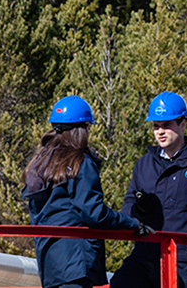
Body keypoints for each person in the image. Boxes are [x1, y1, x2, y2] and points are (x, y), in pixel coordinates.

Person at [23, 95, 154, 288]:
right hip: (78, 262)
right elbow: (93, 213)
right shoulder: (80, 163)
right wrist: (131, 223)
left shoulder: (39, 166)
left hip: (51, 264)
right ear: (83, 129)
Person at [110, 91, 187, 288]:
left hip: (183, 258)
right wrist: (135, 216)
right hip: (145, 253)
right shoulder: (144, 164)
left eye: (167, 125)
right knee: (121, 283)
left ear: (182, 124)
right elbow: (129, 203)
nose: (160, 132)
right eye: (156, 126)